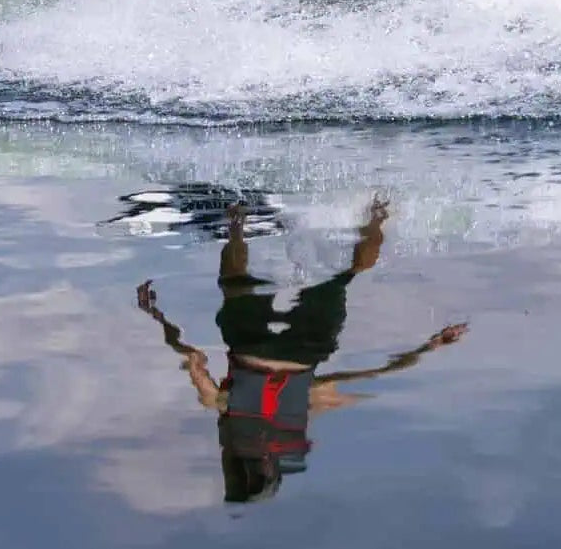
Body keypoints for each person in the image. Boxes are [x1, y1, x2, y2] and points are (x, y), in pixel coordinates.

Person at [136, 199, 467, 504]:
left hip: (307, 347)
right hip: (248, 341)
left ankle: (378, 210)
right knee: (233, 281)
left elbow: (372, 374)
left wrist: (431, 345)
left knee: (348, 274)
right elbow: (193, 356)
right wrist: (156, 316)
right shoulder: (220, 405)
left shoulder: (304, 411)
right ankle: (237, 218)